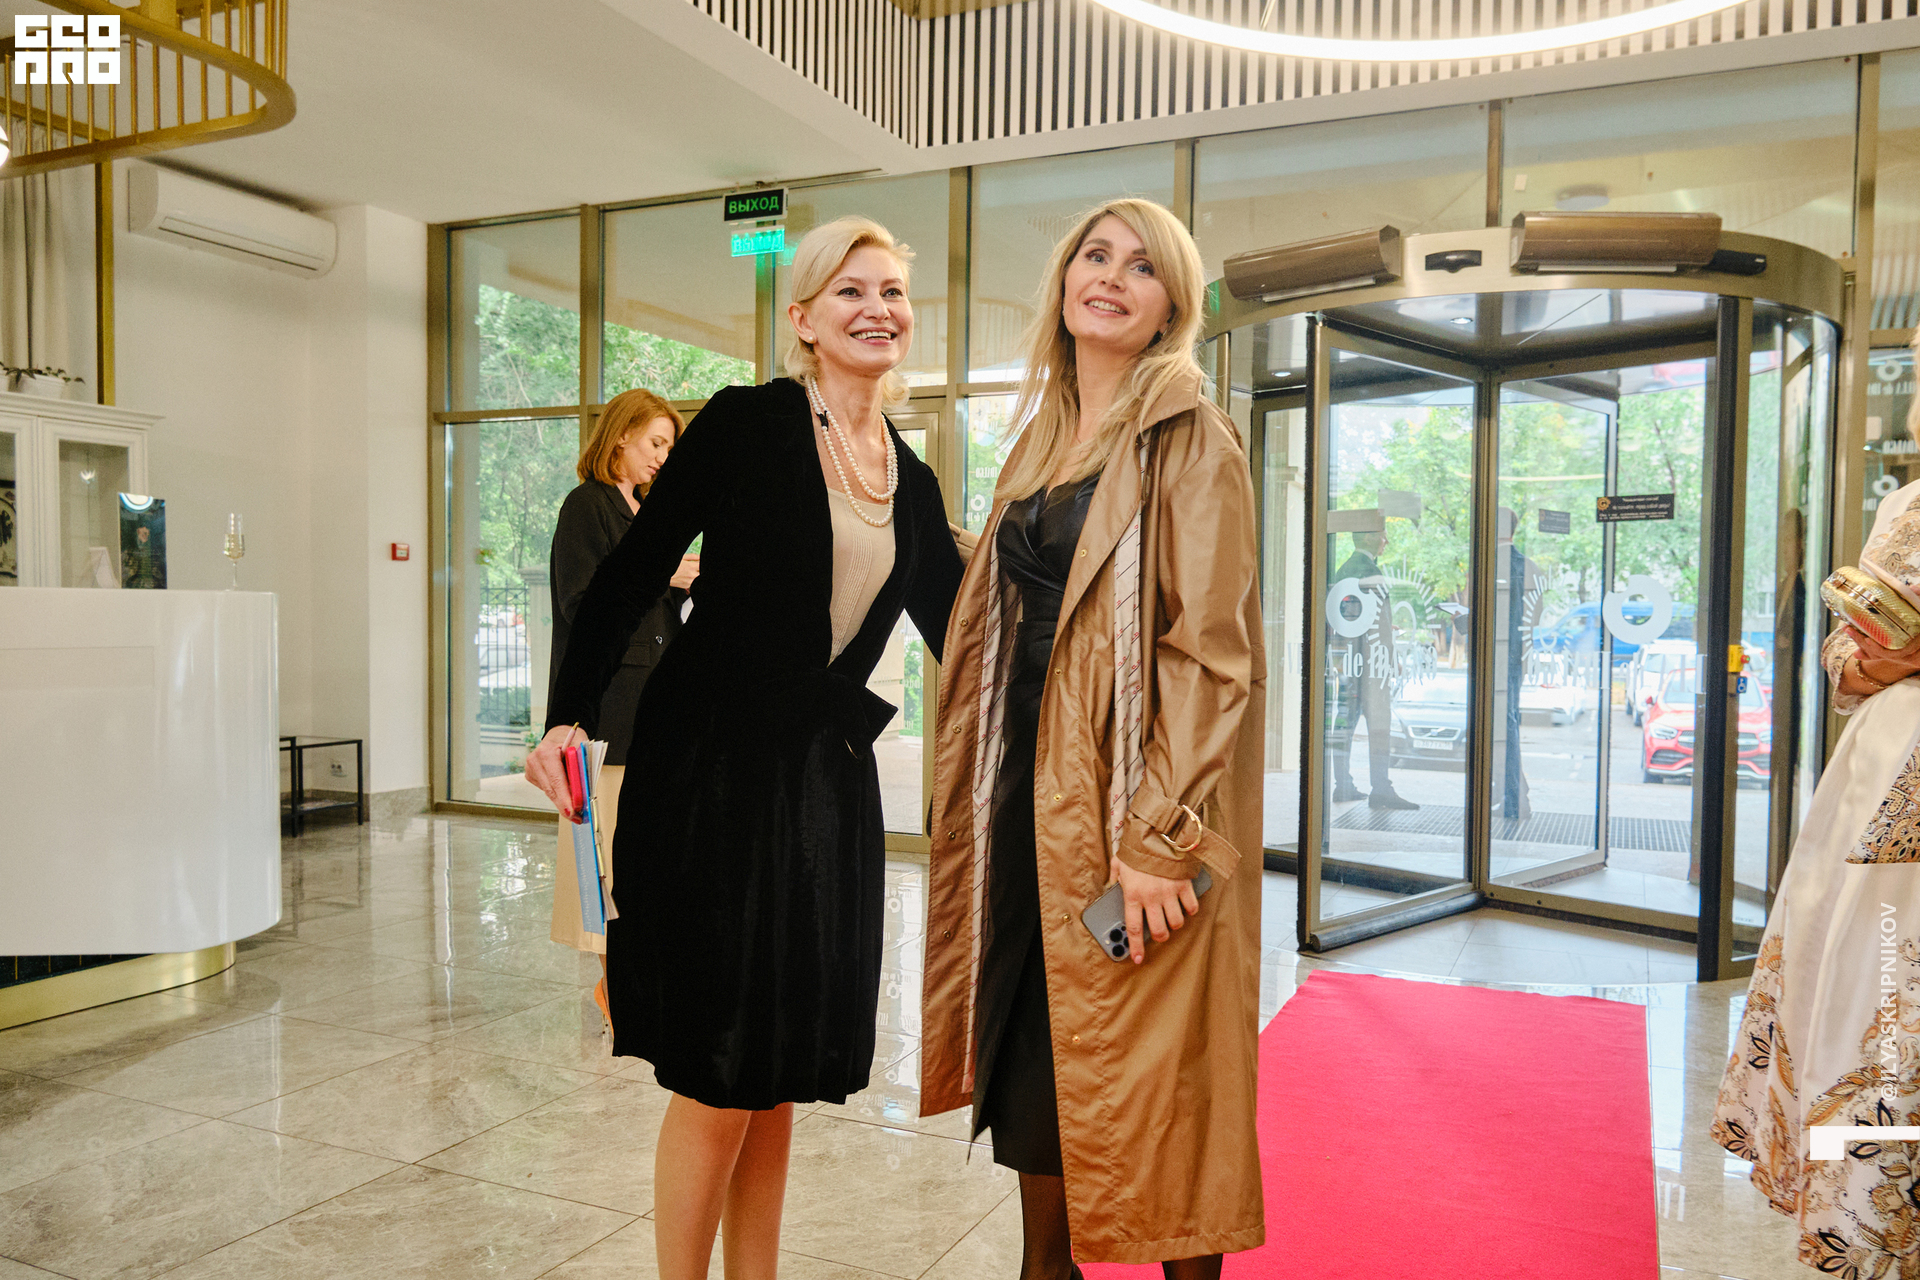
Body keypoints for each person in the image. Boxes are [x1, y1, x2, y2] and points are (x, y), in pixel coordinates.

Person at [525, 215, 965, 1280]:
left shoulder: (909, 480)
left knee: (774, 1074)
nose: (877, 308)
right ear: (803, 318)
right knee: (720, 1072)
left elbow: (970, 637)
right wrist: (567, 714)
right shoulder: (746, 423)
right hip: (712, 775)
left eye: (892, 291)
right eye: (850, 290)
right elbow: (632, 572)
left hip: (821, 787)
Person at [920, 198, 1265, 1278]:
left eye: (1143, 267)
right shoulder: (1040, 437)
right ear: (1065, 279)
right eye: (1095, 255)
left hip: (1134, 803)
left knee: (1164, 1078)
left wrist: (1158, 833)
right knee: (1042, 1053)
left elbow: (1211, 651)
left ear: (1173, 307)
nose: (1111, 277)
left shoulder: (1189, 435)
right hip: (1029, 792)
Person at [1712, 476, 1920, 1276]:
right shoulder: (1903, 503)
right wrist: (1863, 663)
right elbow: (1844, 643)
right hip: (1878, 777)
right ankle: (1860, 1212)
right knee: (1862, 999)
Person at [545, 387, 698, 1029]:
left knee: (648, 857)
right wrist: (666, 577)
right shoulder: (587, 506)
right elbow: (584, 602)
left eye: (670, 447)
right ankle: (613, 985)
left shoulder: (647, 513)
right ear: (620, 437)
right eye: (655, 442)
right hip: (607, 710)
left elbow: (658, 614)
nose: (663, 456)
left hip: (658, 708)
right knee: (602, 857)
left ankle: (641, 976)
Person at [1331, 525, 1417, 809]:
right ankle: (1380, 788)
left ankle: (1343, 785)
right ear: (1368, 536)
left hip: (1351, 662)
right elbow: (1374, 620)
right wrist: (1390, 660)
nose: (1386, 541)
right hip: (1371, 664)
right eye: (1382, 534)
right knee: (1379, 725)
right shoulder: (1370, 571)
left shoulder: (1344, 569)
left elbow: (1349, 617)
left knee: (1344, 723)